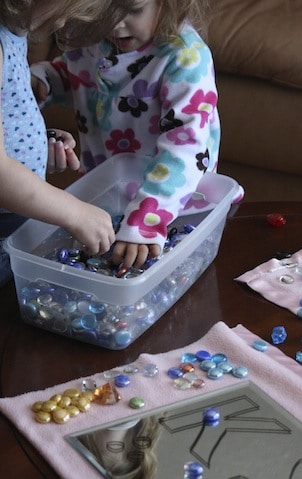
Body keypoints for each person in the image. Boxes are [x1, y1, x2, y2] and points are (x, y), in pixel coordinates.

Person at [31, 0, 229, 273]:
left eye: (132, 9)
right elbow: (75, 74)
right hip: (105, 197)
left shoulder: (186, 59)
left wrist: (147, 221)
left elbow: (185, 147)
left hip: (172, 206)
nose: (114, 23)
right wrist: (45, 81)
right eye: (102, 10)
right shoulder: (93, 37)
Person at [0, 1, 131, 286]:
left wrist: (32, 146)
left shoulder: (12, 33)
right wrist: (74, 212)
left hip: (13, 220)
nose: (63, 23)